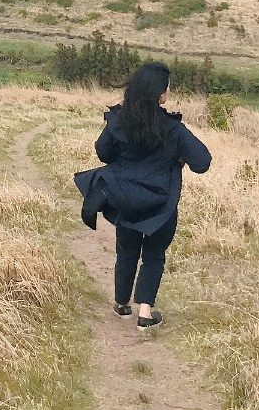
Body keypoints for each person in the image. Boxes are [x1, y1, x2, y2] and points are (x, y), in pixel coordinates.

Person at [73, 62, 212, 326]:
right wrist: (179, 158)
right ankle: (145, 313)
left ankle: (121, 303)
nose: (169, 90)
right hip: (161, 205)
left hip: (126, 198)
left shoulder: (120, 121)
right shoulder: (174, 129)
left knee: (126, 249)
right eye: (167, 87)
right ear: (159, 93)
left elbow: (103, 152)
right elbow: (203, 162)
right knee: (154, 255)